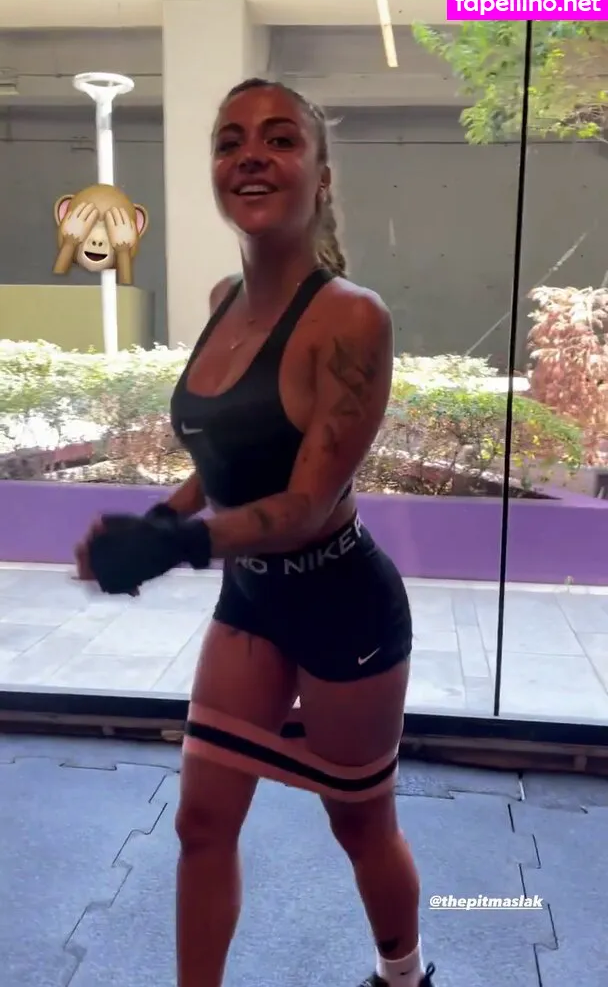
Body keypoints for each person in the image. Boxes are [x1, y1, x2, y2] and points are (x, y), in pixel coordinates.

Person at [75, 77, 436, 987]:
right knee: (201, 821)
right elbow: (225, 457)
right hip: (253, 600)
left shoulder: (351, 317)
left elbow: (309, 503)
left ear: (320, 175)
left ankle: (403, 975)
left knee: (359, 824)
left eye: (279, 139)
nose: (250, 155)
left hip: (345, 606)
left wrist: (176, 546)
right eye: (230, 140)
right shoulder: (221, 301)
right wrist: (164, 517)